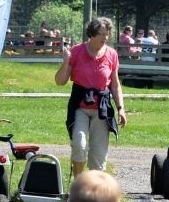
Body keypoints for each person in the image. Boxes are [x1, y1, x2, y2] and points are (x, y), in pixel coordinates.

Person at [55, 17, 128, 176]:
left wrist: (121, 108)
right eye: (102, 34)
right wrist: (66, 62)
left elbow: (115, 84)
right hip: (80, 107)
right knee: (79, 146)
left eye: (107, 34)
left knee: (98, 156)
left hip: (101, 109)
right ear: (92, 34)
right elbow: (60, 81)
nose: (105, 38)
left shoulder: (112, 54)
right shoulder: (76, 51)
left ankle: (94, 192)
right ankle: (78, 185)